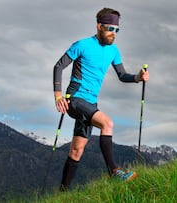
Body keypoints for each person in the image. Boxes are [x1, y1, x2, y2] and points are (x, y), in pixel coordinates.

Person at [53, 7, 149, 191]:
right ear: (99, 26)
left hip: (90, 103)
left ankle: (62, 193)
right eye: (110, 28)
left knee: (76, 150)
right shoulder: (82, 45)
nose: (114, 33)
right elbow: (58, 66)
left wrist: (137, 78)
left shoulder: (113, 51)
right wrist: (58, 95)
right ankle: (114, 172)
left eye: (117, 30)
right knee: (107, 123)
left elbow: (122, 75)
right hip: (74, 99)